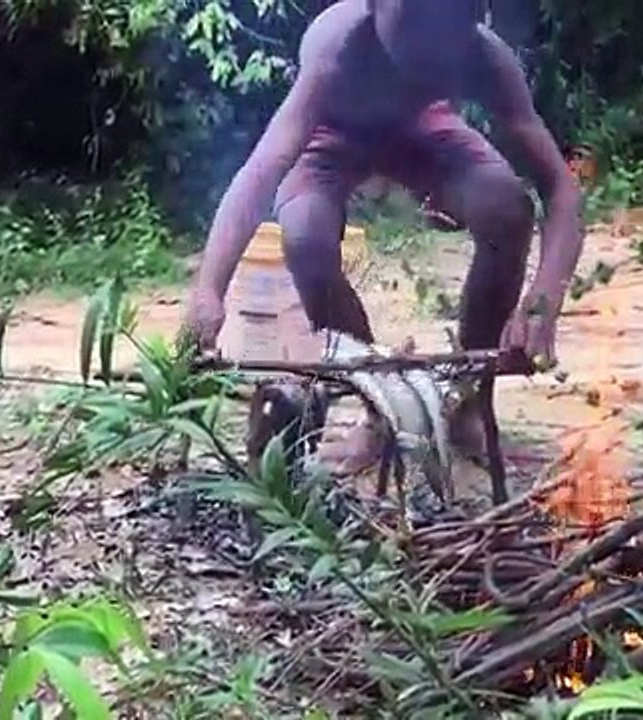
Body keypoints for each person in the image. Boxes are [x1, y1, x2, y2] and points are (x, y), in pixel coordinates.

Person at [184, 0, 584, 477]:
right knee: (305, 234)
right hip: (332, 134)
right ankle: (380, 407)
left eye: (449, 27)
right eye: (412, 21)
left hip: (425, 129)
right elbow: (263, 169)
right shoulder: (339, 50)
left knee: (507, 208)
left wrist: (544, 300)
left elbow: (560, 189)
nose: (428, 46)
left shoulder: (486, 59)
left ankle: (468, 399)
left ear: (479, 19)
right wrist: (209, 289)